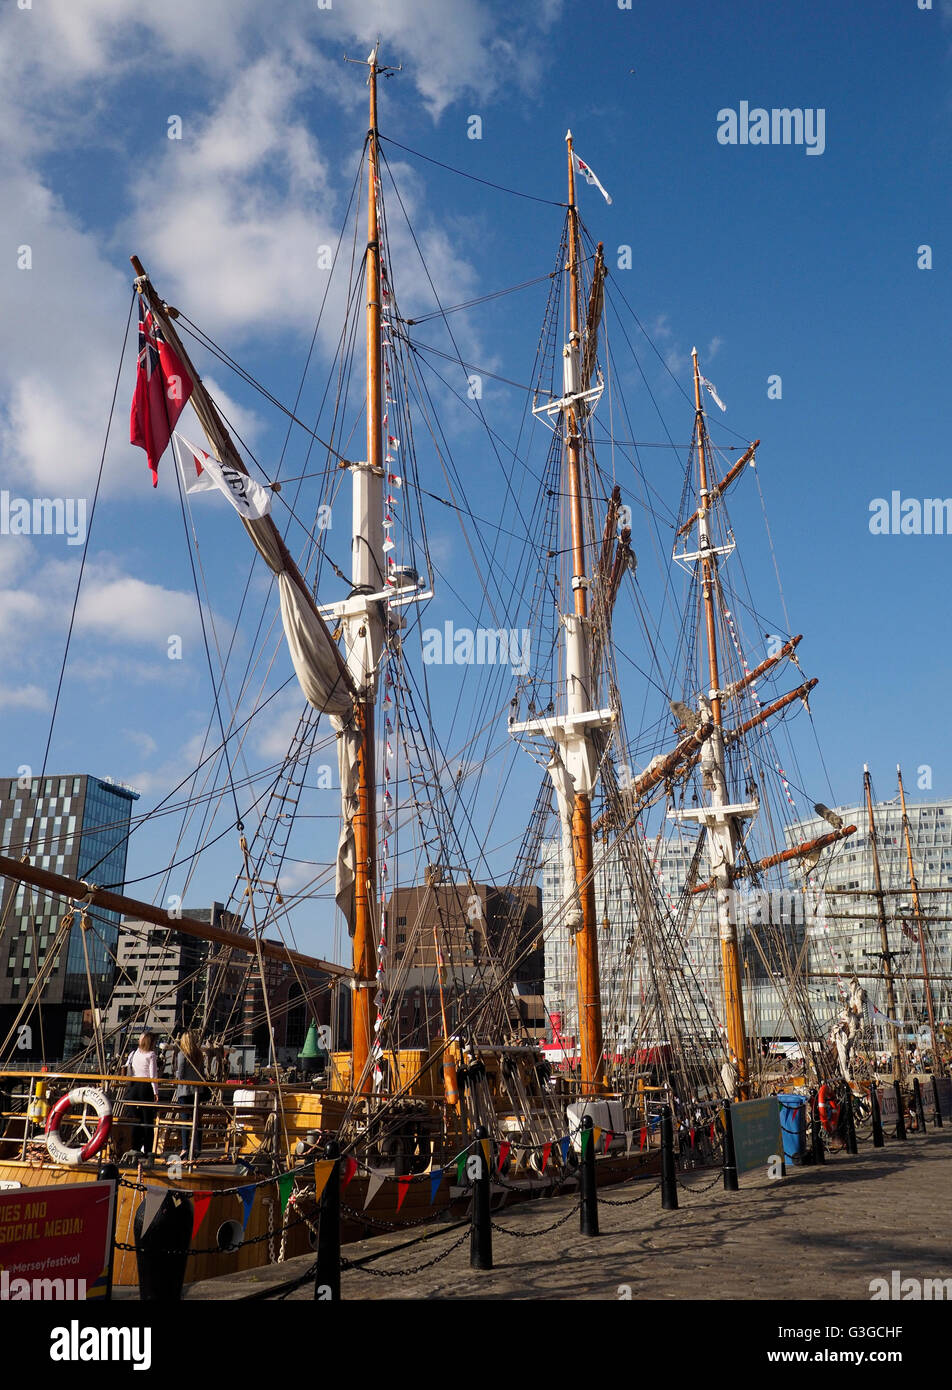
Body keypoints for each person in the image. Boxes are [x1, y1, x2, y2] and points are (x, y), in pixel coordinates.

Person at [125, 1031, 159, 1155]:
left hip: (133, 1087)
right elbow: (153, 1076)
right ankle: (148, 1149)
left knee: (135, 1119)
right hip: (146, 1088)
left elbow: (128, 1068)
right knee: (147, 1120)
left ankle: (135, 1147)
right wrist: (156, 1092)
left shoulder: (133, 1054)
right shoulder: (151, 1055)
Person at [174, 1030, 206, 1158]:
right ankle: (197, 1148)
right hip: (197, 1091)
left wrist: (175, 1075)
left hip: (185, 1091)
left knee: (185, 1120)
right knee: (196, 1120)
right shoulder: (199, 1054)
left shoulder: (183, 1054)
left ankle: (185, 1148)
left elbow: (180, 1075)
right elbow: (202, 1073)